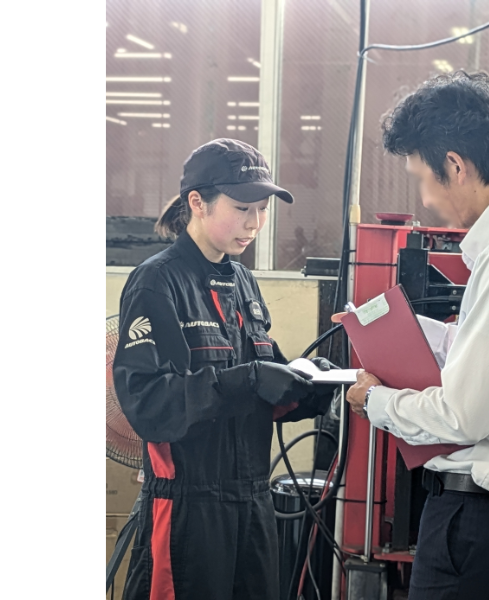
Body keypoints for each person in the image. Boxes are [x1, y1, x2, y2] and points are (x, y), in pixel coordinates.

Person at [345, 71, 489, 599]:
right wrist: (428, 335)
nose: (426, 198)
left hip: (479, 527)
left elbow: (467, 415)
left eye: (423, 178)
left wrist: (376, 402)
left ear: (457, 166)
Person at [113, 139, 336, 600]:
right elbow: (148, 403)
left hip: (253, 504)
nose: (254, 223)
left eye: (262, 210)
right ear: (197, 202)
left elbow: (265, 386)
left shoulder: (243, 282)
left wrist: (312, 383)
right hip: (188, 511)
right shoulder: (157, 282)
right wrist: (246, 380)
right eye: (242, 209)